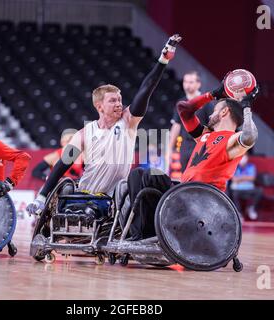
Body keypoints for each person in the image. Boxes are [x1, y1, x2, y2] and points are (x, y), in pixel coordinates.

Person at [26, 34, 182, 215]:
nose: (119, 104)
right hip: (85, 193)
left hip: (113, 198)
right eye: (113, 101)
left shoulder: (128, 121)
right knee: (67, 195)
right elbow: (62, 165)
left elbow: (146, 89)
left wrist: (163, 60)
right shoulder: (83, 133)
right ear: (99, 106)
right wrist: (41, 197)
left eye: (120, 100)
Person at [127, 78, 259, 240]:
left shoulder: (232, 140)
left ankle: (141, 235)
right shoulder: (205, 135)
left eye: (215, 110)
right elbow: (183, 109)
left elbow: (249, 137)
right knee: (138, 174)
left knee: (148, 175)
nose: (210, 113)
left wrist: (246, 106)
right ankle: (140, 234)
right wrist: (212, 94)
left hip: (202, 197)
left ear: (224, 112)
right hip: (183, 192)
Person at [167, 71, 214, 175]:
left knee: (200, 176)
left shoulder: (206, 103)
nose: (187, 85)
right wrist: (169, 148)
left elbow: (213, 126)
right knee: (185, 176)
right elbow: (176, 126)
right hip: (185, 146)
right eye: (185, 82)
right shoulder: (181, 103)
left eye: (191, 82)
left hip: (201, 146)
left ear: (198, 84)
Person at [229, 153, 262, 220]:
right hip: (238, 189)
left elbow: (252, 178)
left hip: (249, 188)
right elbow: (234, 179)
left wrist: (240, 178)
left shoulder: (251, 166)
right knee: (234, 194)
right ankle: (238, 213)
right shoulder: (235, 167)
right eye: (242, 157)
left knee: (259, 191)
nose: (243, 159)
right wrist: (246, 178)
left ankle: (251, 208)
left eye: (245, 157)